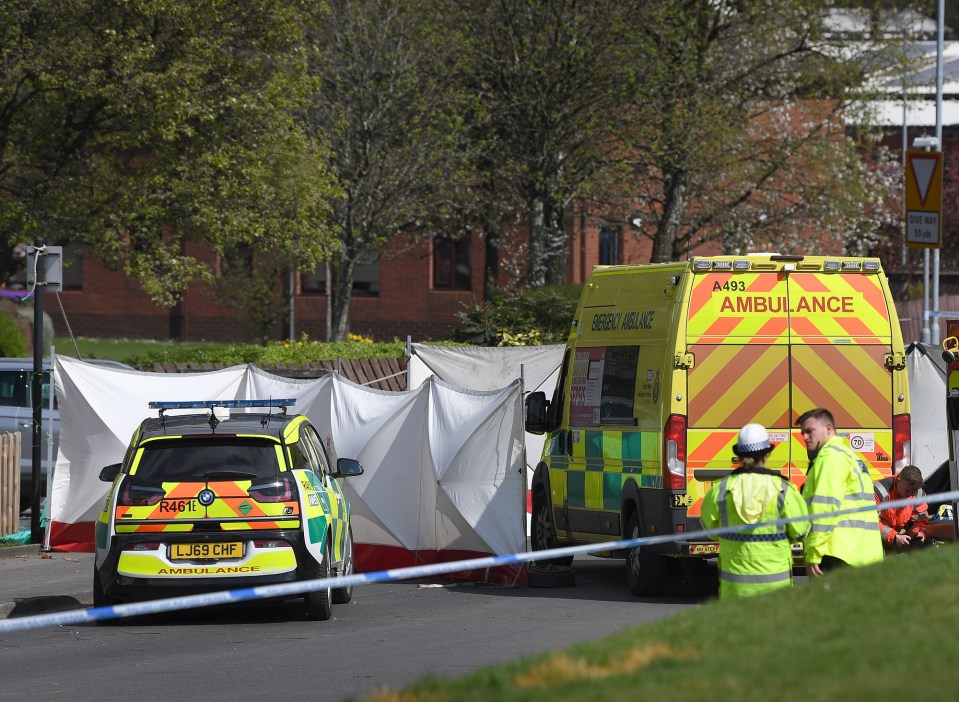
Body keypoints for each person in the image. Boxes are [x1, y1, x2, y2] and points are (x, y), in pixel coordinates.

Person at [700, 423, 809, 599]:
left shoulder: (721, 489)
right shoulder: (783, 489)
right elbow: (800, 532)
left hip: (735, 592)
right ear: (766, 455)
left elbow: (709, 529)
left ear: (739, 455)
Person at [799, 408, 884, 576]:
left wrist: (814, 553)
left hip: (837, 553)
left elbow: (824, 507)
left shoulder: (830, 458)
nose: (805, 437)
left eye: (810, 431)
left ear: (828, 429)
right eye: (803, 433)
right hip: (861, 553)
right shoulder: (850, 457)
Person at [874, 464, 930, 551]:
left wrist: (919, 534)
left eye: (913, 491)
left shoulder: (919, 494)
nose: (910, 494)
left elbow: (920, 521)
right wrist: (894, 537)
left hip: (900, 535)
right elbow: (870, 522)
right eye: (907, 490)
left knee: (929, 548)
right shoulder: (879, 491)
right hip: (878, 536)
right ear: (898, 481)